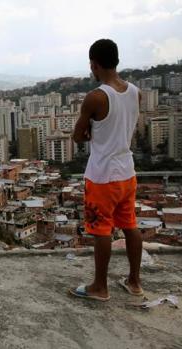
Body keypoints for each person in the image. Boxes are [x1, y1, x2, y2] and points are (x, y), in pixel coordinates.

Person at [70, 39, 143, 301]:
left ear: (94, 64)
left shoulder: (96, 96)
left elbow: (77, 136)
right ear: (117, 60)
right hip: (127, 171)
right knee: (130, 226)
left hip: (103, 176)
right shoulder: (136, 91)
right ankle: (134, 281)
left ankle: (100, 287)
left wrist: (88, 129)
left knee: (101, 231)